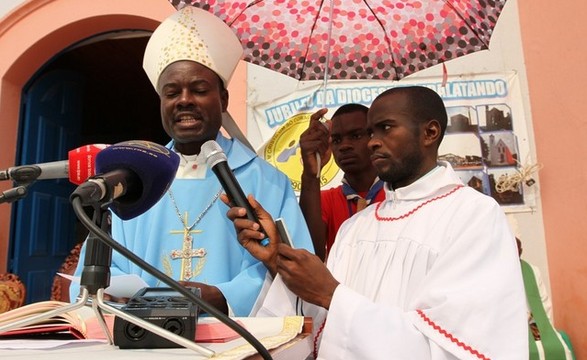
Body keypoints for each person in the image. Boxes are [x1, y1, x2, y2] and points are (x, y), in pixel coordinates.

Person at [224, 86, 528, 358]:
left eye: (385, 129)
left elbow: (450, 345)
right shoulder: (356, 227)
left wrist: (332, 294)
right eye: (370, 133)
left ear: (430, 133)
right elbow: (321, 326)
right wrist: (279, 258)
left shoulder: (472, 215)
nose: (372, 143)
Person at [70, 6, 313, 317]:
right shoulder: (131, 180)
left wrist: (224, 296)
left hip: (234, 339)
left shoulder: (266, 181)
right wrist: (137, 299)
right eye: (172, 92)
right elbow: (96, 270)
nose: (184, 100)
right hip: (145, 339)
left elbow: (292, 266)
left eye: (199, 90)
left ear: (223, 100)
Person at [299, 104, 385, 261]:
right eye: (336, 140)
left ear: (374, 139)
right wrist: (311, 175)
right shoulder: (324, 200)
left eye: (356, 136)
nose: (344, 146)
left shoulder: (398, 195)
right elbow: (309, 253)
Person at [517, 238, 575, 359]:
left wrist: (547, 329)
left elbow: (544, 303)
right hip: (510, 328)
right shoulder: (496, 272)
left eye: (518, 250)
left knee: (557, 347)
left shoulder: (532, 271)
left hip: (533, 324)